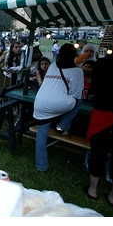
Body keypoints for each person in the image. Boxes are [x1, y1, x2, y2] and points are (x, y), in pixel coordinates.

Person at [33, 43, 84, 172]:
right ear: (74, 55)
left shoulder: (53, 66)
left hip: (40, 102)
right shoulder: (77, 71)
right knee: (78, 102)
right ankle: (62, 126)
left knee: (41, 135)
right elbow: (77, 94)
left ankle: (41, 166)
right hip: (58, 104)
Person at [84, 28, 113, 204]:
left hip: (103, 112)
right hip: (106, 112)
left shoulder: (103, 64)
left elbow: (93, 90)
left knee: (99, 151)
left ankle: (93, 189)